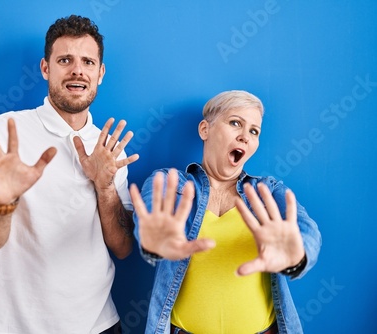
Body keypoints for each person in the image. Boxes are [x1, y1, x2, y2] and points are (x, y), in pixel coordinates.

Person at [0, 15, 139, 334]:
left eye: (88, 62)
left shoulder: (110, 148)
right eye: (65, 60)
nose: (77, 70)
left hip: (98, 325)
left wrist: (104, 187)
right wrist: (2, 200)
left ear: (100, 73)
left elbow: (122, 247)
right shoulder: (4, 132)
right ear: (45, 68)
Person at [129, 90, 322, 334]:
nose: (245, 136)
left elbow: (308, 231)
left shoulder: (268, 192)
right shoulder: (171, 183)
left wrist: (297, 257)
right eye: (235, 123)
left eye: (254, 131)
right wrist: (152, 242)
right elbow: (147, 214)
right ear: (204, 130)